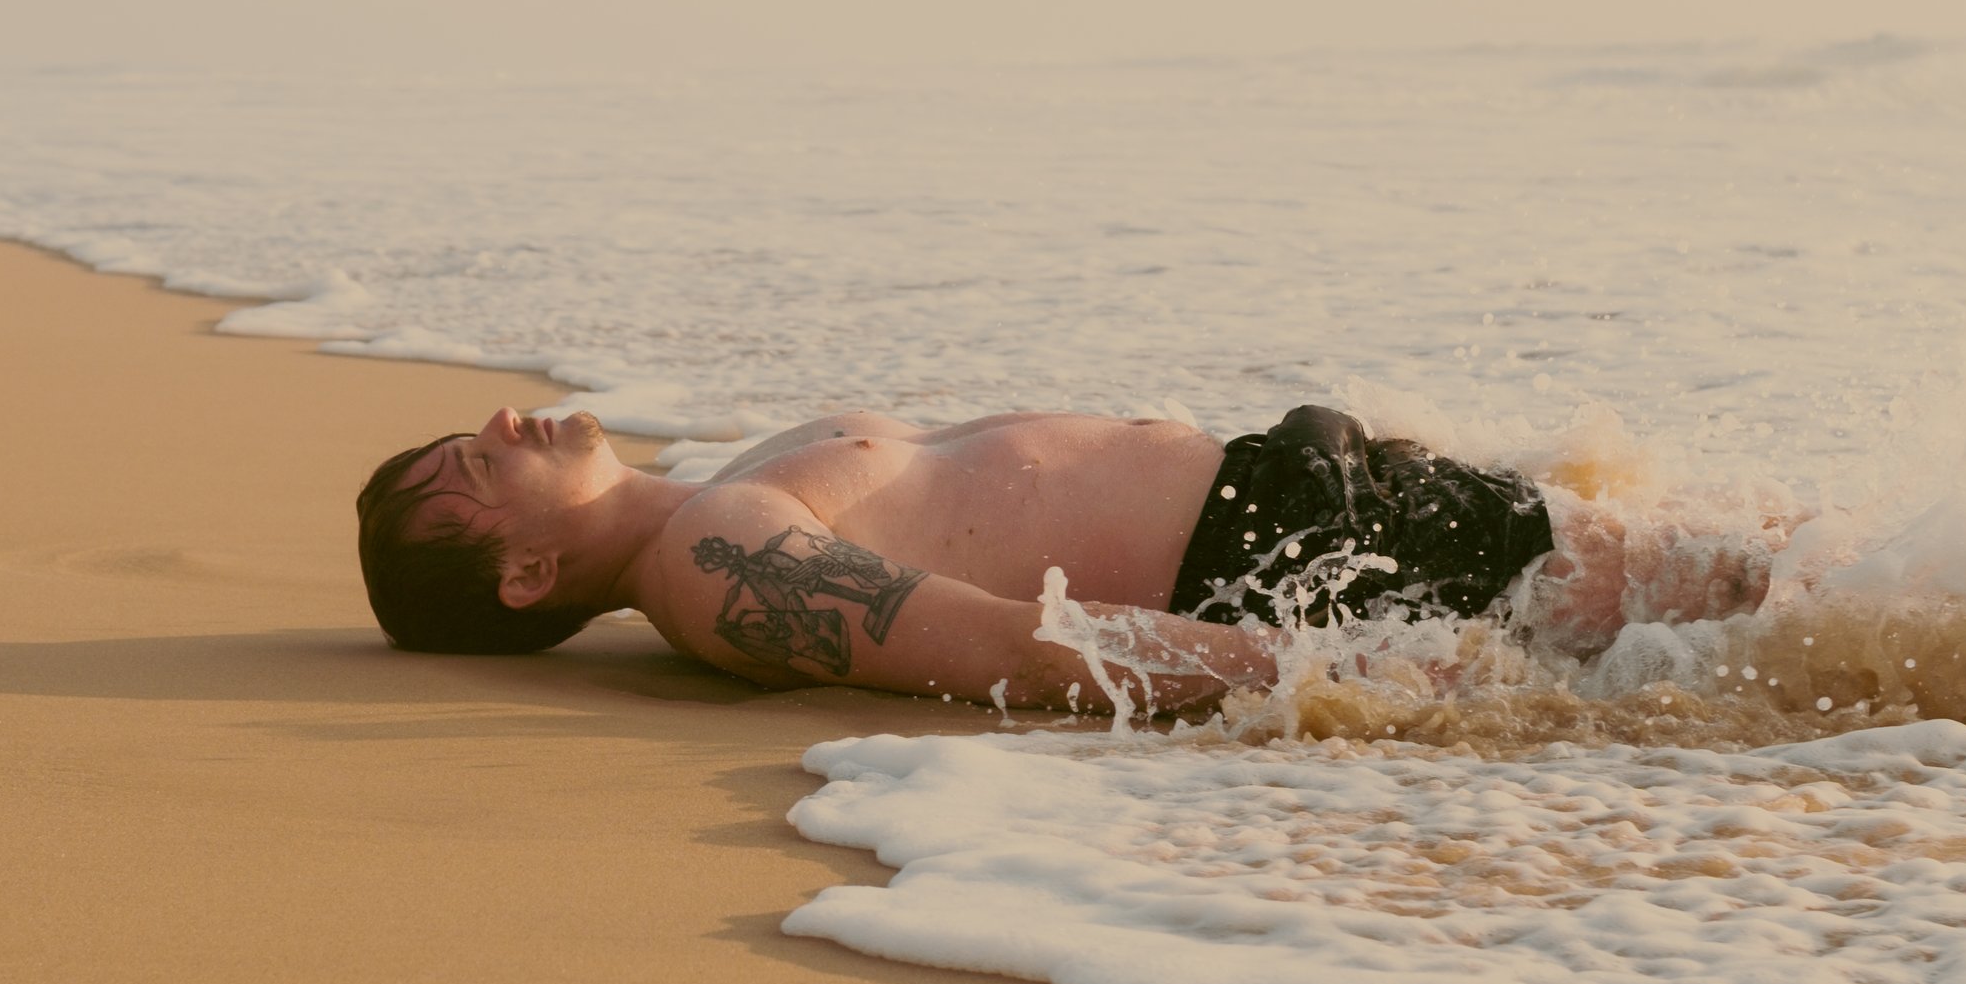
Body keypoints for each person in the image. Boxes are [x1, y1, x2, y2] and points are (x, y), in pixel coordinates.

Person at [355, 399, 1774, 715]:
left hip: (1295, 498)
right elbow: (1012, 643)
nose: (491, 427)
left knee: (1734, 584)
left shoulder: (714, 500)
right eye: (469, 471)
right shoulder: (719, 556)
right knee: (1750, 599)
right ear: (524, 577)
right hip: (1285, 550)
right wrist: (1332, 677)